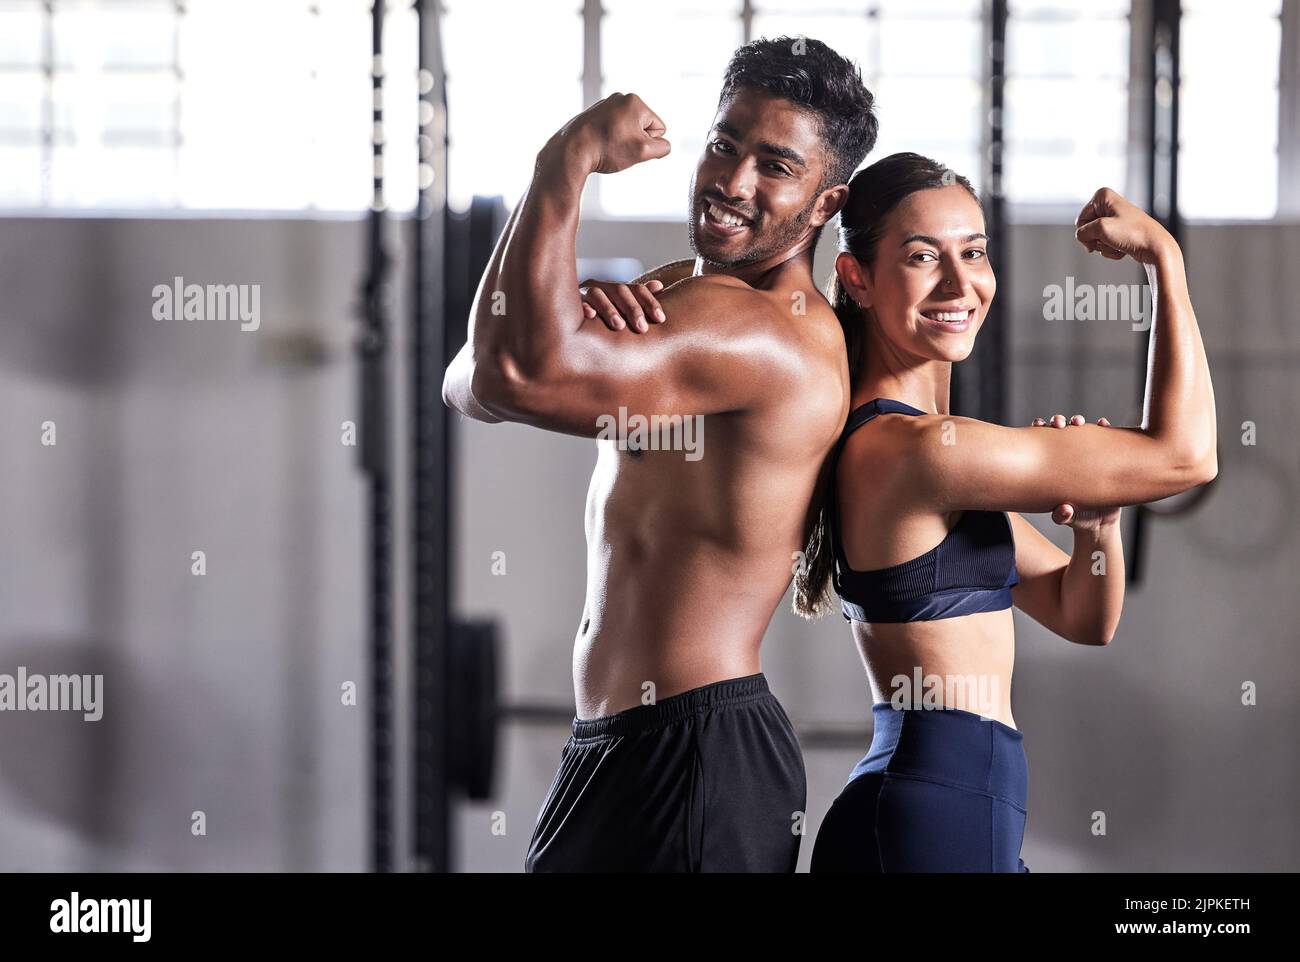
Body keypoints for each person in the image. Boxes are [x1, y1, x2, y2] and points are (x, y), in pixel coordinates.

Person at [442, 37, 877, 872]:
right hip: (625, 744)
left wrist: (564, 159)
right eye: (724, 144)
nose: (732, 181)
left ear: (826, 205)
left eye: (775, 166)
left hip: (690, 753)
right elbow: (474, 383)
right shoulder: (692, 289)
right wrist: (545, 338)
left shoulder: (757, 329)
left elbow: (510, 369)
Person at [806, 153, 1218, 872]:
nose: (959, 283)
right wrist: (1165, 259)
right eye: (923, 257)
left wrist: (1096, 525)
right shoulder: (912, 451)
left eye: (974, 252)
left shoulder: (928, 454)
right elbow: (1187, 457)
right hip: (930, 821)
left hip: (953, 814)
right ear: (857, 278)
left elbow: (1083, 616)